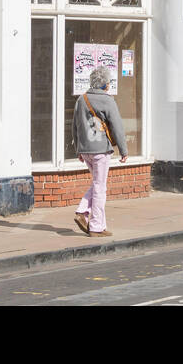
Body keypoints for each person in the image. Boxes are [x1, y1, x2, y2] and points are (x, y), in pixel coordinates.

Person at [73, 67, 128, 238]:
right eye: (109, 82)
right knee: (99, 187)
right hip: (101, 150)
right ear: (105, 84)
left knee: (98, 184)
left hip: (86, 150)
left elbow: (75, 126)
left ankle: (100, 225)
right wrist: (123, 150)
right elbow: (117, 127)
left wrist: (78, 149)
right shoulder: (108, 100)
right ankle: (92, 222)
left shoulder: (81, 100)